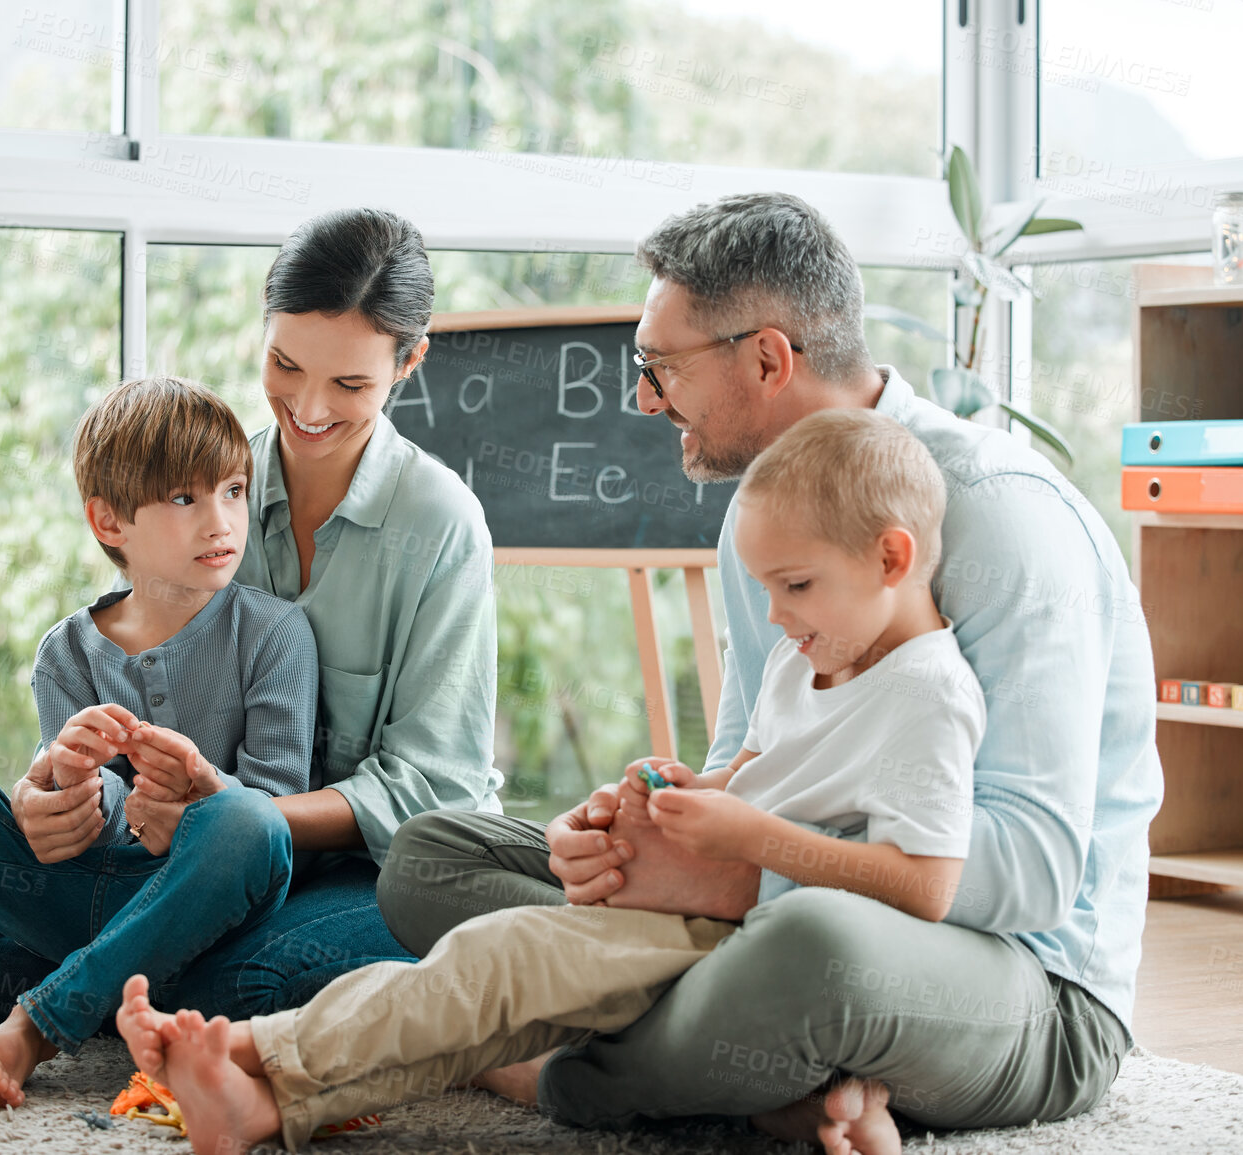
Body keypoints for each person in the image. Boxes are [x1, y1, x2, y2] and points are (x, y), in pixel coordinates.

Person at [378, 192, 1160, 1155]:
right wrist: (646, 821)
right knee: (433, 855)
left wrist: (748, 876)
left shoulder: (1000, 516)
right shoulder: (761, 513)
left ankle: (540, 1069)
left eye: (661, 368)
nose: (642, 399)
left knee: (813, 948)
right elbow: (749, 765)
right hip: (768, 925)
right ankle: (762, 1082)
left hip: (1028, 987)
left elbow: (1038, 873)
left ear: (766, 358)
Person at [107, 408, 986, 1155]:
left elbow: (926, 885)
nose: (773, 615)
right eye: (765, 587)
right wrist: (677, 789)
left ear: (891, 559)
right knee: (490, 955)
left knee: (507, 962)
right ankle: (262, 1088)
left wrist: (743, 839)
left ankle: (263, 1055)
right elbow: (755, 774)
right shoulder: (813, 650)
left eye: (793, 585)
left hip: (752, 935)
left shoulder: (926, 694)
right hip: (686, 905)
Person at [0, 206, 504, 1084]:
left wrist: (232, 813)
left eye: (349, 384)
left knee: (254, 970)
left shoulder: (439, 526)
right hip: (199, 865)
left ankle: (69, 1002)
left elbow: (433, 787)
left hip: (367, 873)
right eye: (283, 365)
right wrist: (46, 787)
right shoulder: (214, 480)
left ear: (407, 362)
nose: (308, 408)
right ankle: (133, 978)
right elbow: (128, 657)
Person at [0, 378, 318, 1109]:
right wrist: (55, 783)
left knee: (248, 822)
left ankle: (38, 1023)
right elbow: (69, 838)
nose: (219, 520)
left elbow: (275, 814)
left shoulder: (274, 633)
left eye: (232, 490)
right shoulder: (65, 651)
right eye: (183, 498)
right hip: (79, 894)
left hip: (199, 909)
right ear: (109, 520)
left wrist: (202, 789)